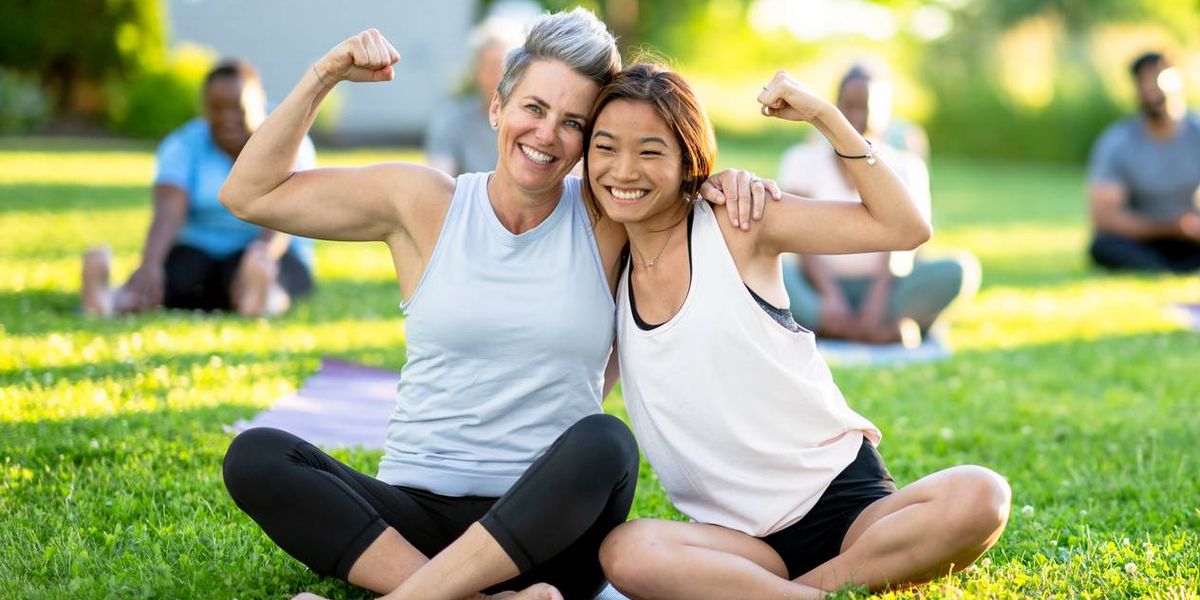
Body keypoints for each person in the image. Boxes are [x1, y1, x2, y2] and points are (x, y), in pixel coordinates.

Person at [217, 11, 764, 600]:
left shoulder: (608, 215)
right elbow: (249, 193)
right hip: (414, 523)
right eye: (534, 109)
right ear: (497, 107)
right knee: (256, 455)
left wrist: (727, 180)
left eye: (573, 121)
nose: (548, 135)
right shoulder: (423, 202)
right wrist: (325, 74)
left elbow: (678, 173)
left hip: (550, 534)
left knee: (606, 442)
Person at [584, 64, 1011, 598]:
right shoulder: (605, 269)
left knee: (981, 495)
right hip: (740, 544)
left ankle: (791, 591)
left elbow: (906, 228)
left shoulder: (737, 222)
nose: (624, 170)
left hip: (848, 506)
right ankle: (829, 590)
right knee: (626, 552)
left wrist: (825, 116)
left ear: (688, 159)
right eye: (606, 148)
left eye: (650, 151)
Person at [81, 60, 317, 318]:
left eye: (238, 108)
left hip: (268, 248)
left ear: (260, 102)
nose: (228, 118)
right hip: (200, 250)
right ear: (204, 109)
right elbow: (168, 212)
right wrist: (150, 264)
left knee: (266, 272)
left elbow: (284, 213)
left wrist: (261, 254)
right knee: (173, 279)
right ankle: (109, 298)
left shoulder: (288, 139)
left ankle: (262, 297)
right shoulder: (184, 144)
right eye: (217, 108)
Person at [779, 65, 979, 345]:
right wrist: (830, 295)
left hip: (886, 290)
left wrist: (877, 299)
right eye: (849, 105)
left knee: (959, 270)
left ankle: (840, 327)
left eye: (867, 107)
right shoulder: (802, 158)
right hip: (817, 289)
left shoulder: (906, 166)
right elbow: (796, 235)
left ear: (885, 113)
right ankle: (870, 330)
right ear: (835, 107)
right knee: (768, 268)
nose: (857, 116)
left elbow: (905, 242)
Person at [1087, 51, 1200, 273]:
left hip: (1191, 236)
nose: (1156, 92)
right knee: (1103, 246)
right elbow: (1105, 217)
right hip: (1142, 238)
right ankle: (1165, 269)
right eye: (1146, 83)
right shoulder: (1117, 142)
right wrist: (1170, 227)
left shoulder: (1196, 132)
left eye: (1160, 80)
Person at [425, 17, 523, 176]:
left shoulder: (530, 123)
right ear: (475, 71)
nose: (497, 77)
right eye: (490, 67)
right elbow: (439, 176)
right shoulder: (452, 119)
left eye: (504, 69)